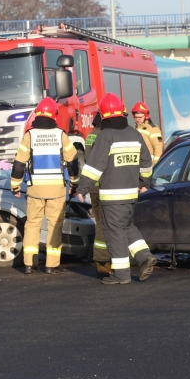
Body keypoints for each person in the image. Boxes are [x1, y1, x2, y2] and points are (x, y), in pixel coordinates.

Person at [76, 93, 157, 285]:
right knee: (127, 226)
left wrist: (82, 188)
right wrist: (145, 182)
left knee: (115, 232)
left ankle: (121, 275)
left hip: (112, 195)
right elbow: (146, 162)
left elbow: (94, 166)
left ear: (103, 115)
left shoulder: (106, 135)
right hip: (131, 194)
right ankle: (145, 256)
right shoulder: (134, 134)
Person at [10, 98, 79, 274]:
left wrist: (15, 186)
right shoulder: (60, 135)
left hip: (35, 190)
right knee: (54, 225)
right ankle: (51, 265)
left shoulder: (29, 136)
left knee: (32, 225)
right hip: (56, 189)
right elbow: (72, 161)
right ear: (54, 115)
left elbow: (19, 164)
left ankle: (29, 264)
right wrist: (74, 183)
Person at [84, 113, 112, 277]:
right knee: (104, 223)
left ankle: (102, 260)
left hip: (93, 185)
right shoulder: (104, 135)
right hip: (103, 184)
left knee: (100, 222)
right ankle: (102, 262)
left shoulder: (90, 136)